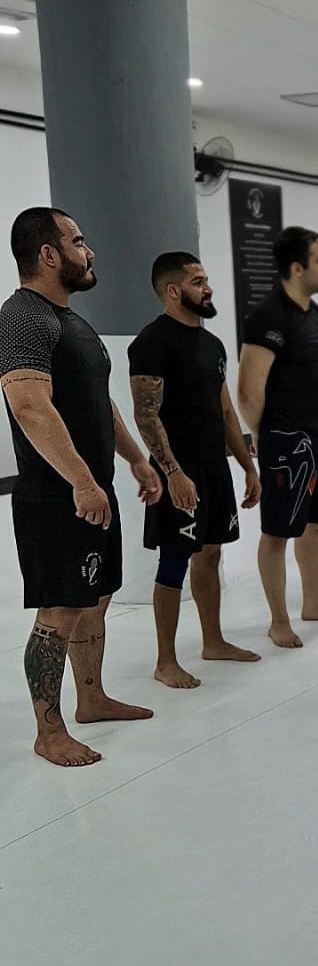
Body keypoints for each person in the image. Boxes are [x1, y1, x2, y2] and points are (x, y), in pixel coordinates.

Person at [0, 207, 159, 767]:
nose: (88, 252)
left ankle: (91, 699)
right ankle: (49, 732)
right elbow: (28, 405)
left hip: (92, 488)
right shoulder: (22, 317)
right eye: (78, 241)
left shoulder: (72, 322)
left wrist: (137, 461)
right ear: (49, 254)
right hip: (55, 496)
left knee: (95, 600)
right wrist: (82, 482)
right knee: (59, 612)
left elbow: (100, 404)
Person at [129, 252, 262, 689]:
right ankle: (165, 661)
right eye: (198, 281)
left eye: (206, 279)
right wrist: (172, 473)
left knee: (212, 552)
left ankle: (213, 641)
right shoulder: (152, 342)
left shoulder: (212, 345)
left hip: (213, 467)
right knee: (174, 559)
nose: (208, 288)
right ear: (173, 290)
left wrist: (247, 466)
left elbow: (225, 411)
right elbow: (147, 415)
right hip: (178, 470)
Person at [238, 227, 318, 649]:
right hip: (283, 439)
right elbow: (249, 390)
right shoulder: (269, 316)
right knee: (277, 532)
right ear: (296, 267)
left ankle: (313, 602)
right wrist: (264, 438)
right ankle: (278, 620)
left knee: (316, 524)